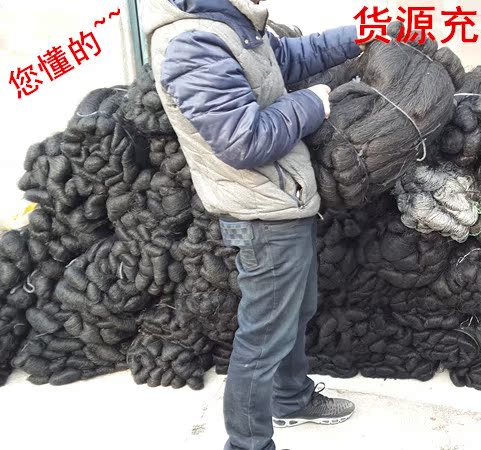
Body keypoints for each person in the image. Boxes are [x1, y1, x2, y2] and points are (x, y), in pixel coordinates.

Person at [140, 1, 361, 449]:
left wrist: (361, 35)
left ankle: (290, 398)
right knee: (262, 338)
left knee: (293, 313)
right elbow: (244, 140)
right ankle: (247, 443)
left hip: (280, 202)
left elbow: (291, 57)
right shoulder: (194, 43)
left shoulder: (230, 27)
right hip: (261, 215)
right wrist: (310, 103)